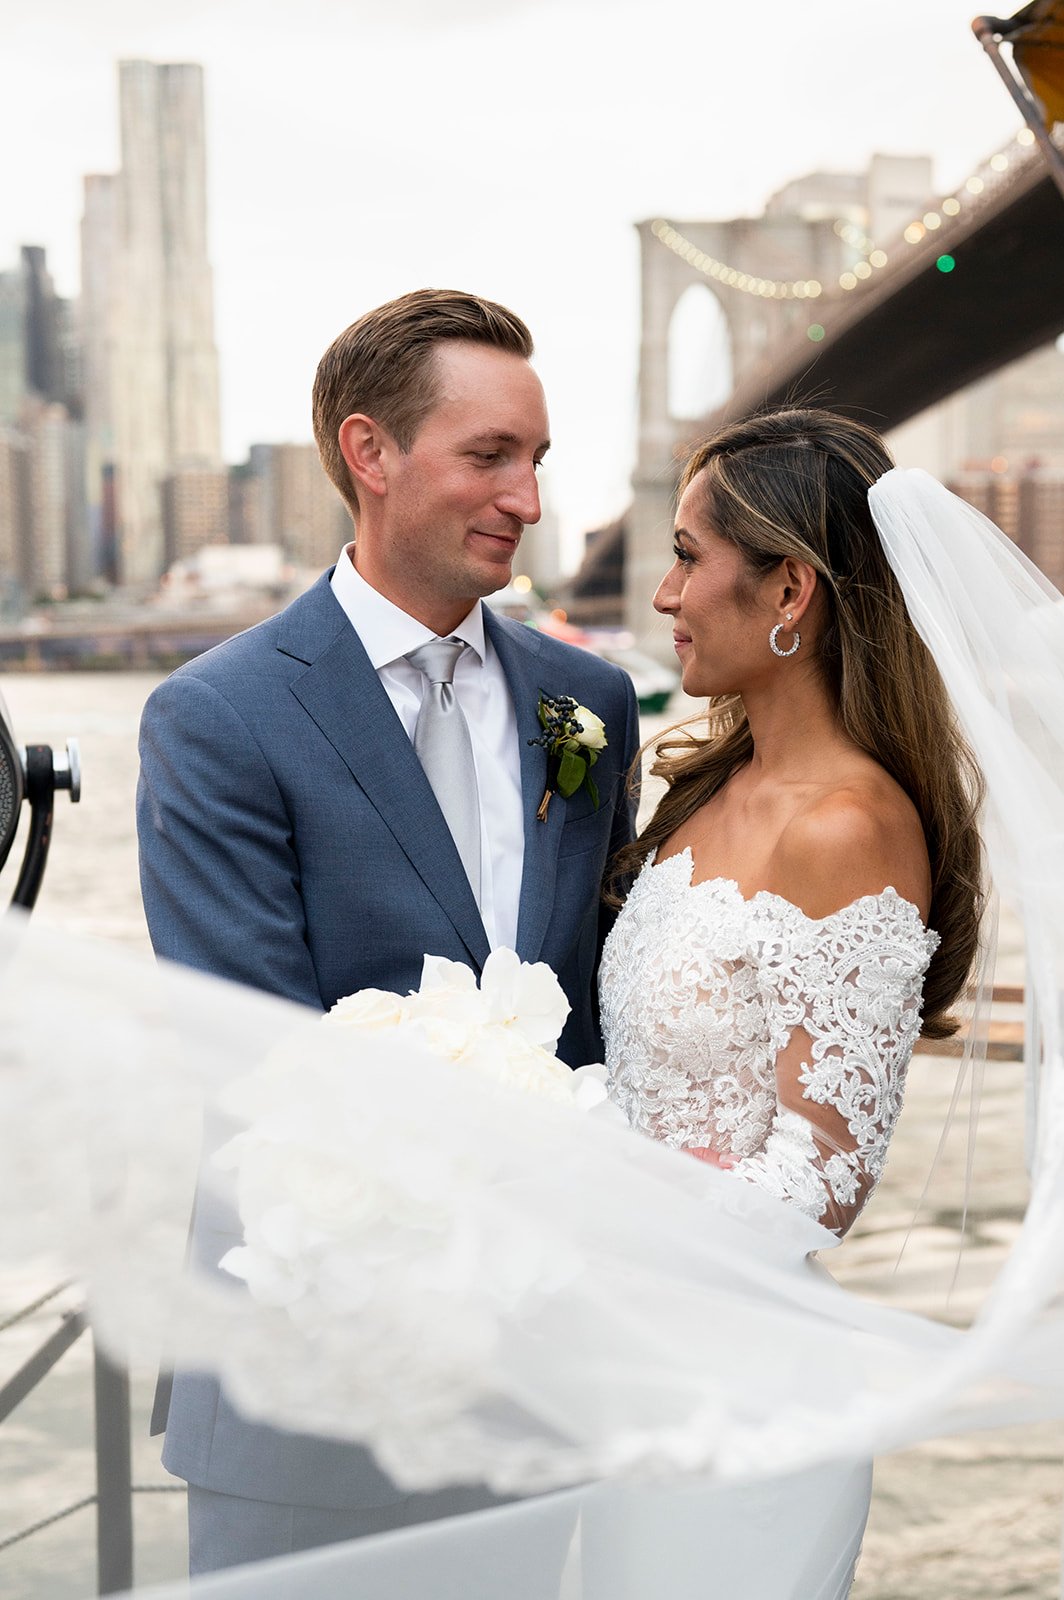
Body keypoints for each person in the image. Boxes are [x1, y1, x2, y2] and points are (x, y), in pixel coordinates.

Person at [136, 287, 640, 1575]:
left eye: (534, 460)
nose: (526, 497)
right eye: (489, 456)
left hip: (537, 1403)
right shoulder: (218, 717)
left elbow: (590, 1007)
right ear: (369, 453)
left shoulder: (584, 703)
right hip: (307, 1400)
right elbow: (249, 1052)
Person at [595, 407, 986, 1593]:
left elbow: (820, 1174)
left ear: (788, 591)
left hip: (739, 1396)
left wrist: (596, 1244)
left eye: (685, 556)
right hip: (621, 1381)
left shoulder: (848, 826)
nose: (662, 595)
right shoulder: (703, 791)